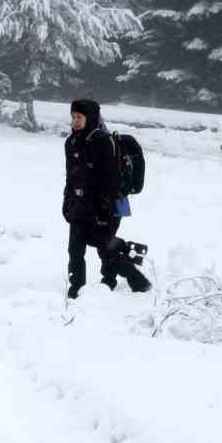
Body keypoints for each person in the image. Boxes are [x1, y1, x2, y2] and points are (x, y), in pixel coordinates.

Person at [63, 99, 150, 299]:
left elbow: (109, 179)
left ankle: (139, 282)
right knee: (75, 250)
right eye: (73, 117)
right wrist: (67, 202)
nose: (75, 121)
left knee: (106, 250)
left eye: (80, 117)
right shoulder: (71, 142)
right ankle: (76, 289)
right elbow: (71, 176)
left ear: (91, 118)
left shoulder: (102, 142)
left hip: (103, 209)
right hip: (78, 206)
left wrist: (103, 207)